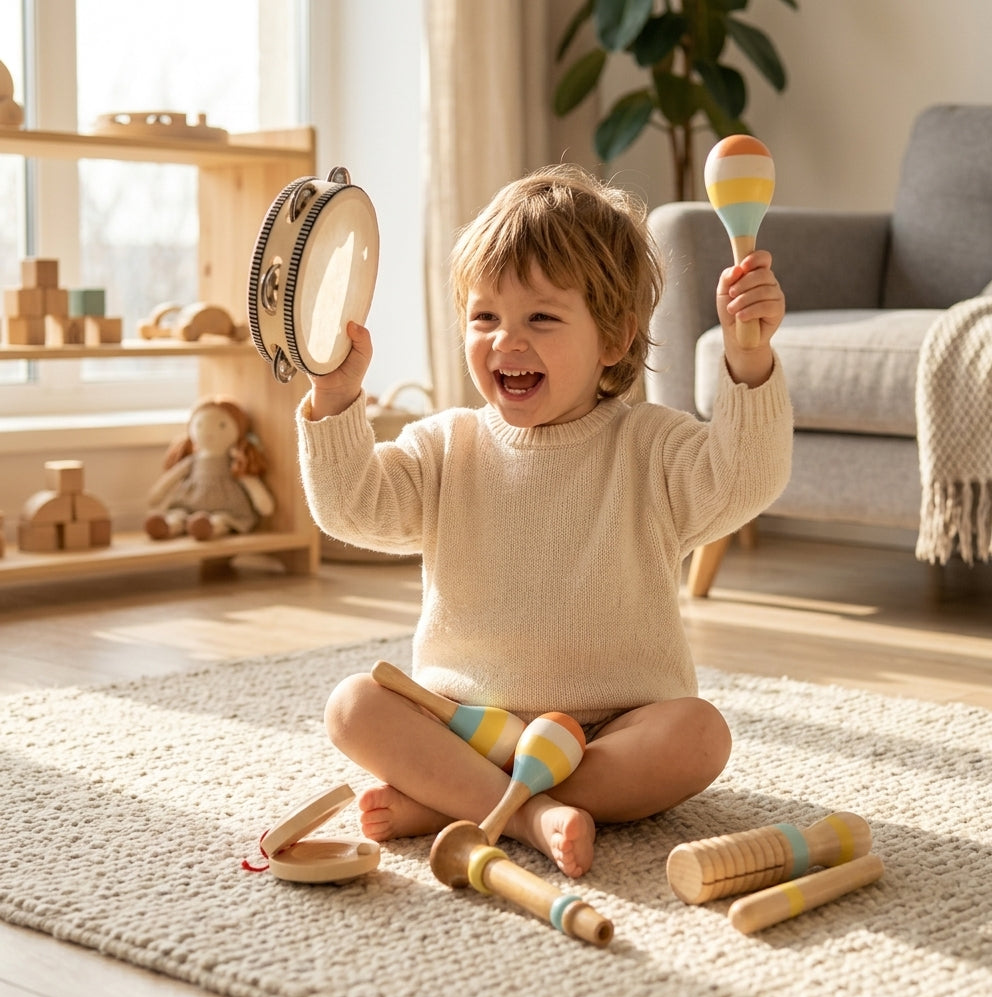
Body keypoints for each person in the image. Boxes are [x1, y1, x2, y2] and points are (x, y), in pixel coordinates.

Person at [296, 164, 792, 878]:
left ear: (615, 338)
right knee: (352, 705)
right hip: (466, 725)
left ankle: (455, 804)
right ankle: (527, 814)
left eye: (542, 318)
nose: (506, 341)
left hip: (611, 731)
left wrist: (748, 359)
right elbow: (352, 508)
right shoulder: (445, 444)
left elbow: (747, 476)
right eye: (485, 317)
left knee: (700, 734)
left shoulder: (650, 445)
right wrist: (336, 400)